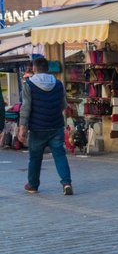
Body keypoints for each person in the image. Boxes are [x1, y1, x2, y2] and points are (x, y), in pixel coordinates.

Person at [18, 57, 73, 195]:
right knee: (60, 155)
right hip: (56, 126)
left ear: (34, 69)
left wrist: (22, 127)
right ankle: (66, 183)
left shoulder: (29, 84)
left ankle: (33, 185)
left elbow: (26, 107)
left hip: (37, 128)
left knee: (35, 158)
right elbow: (63, 105)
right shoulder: (58, 84)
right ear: (47, 69)